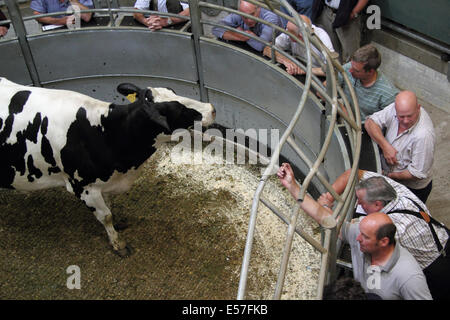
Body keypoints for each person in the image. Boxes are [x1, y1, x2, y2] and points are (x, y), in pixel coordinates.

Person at [278, 163, 450, 300]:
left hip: (437, 260)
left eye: (365, 236)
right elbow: (325, 216)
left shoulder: (408, 275)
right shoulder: (385, 190)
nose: (356, 238)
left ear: (384, 241)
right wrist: (292, 186)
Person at [365, 91, 435, 203]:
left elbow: (417, 173)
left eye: (410, 116)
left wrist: (389, 176)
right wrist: (385, 146)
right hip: (390, 177)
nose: (405, 121)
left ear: (418, 108)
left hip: (412, 188)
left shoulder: (423, 135)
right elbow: (370, 122)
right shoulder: (395, 108)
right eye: (401, 116)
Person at [262, 14, 335, 77]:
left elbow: (332, 70)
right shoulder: (291, 31)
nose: (287, 34)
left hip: (316, 75)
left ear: (300, 36)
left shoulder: (322, 38)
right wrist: (285, 60)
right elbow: (267, 49)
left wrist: (304, 70)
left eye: (291, 34)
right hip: (298, 67)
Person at [338, 44, 399, 118]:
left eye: (356, 71)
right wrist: (342, 109)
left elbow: (390, 122)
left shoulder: (388, 95)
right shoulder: (350, 68)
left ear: (370, 71)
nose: (350, 70)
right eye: (351, 65)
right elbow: (327, 87)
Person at [212, 0, 281, 53]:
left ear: (259, 8)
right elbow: (216, 29)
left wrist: (238, 33)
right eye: (245, 17)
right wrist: (242, 36)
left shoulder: (270, 18)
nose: (249, 20)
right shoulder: (240, 14)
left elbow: (261, 46)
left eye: (252, 14)